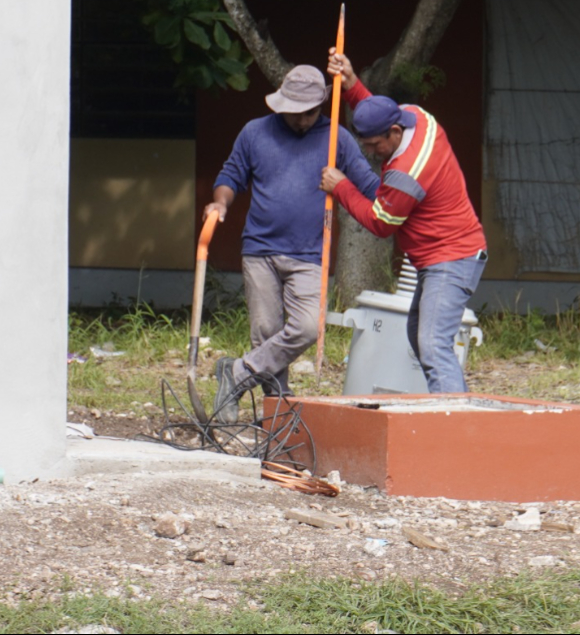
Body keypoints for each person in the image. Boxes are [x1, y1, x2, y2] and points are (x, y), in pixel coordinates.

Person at [207, 64, 379, 422]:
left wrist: (347, 183)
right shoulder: (255, 133)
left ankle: (235, 373)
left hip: (309, 254)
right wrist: (220, 203)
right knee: (267, 334)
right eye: (293, 113)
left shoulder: (337, 139)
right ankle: (278, 413)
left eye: (309, 113)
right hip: (259, 251)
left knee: (305, 328)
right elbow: (230, 175)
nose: (301, 121)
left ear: (322, 105)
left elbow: (369, 186)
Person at [319, 51, 487, 393]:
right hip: (443, 255)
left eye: (373, 145)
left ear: (394, 133)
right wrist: (351, 83)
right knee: (420, 336)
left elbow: (381, 223)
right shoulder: (418, 117)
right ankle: (450, 403)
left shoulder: (405, 173)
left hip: (451, 258)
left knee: (433, 344)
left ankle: (453, 422)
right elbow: (375, 111)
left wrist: (341, 187)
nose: (369, 152)